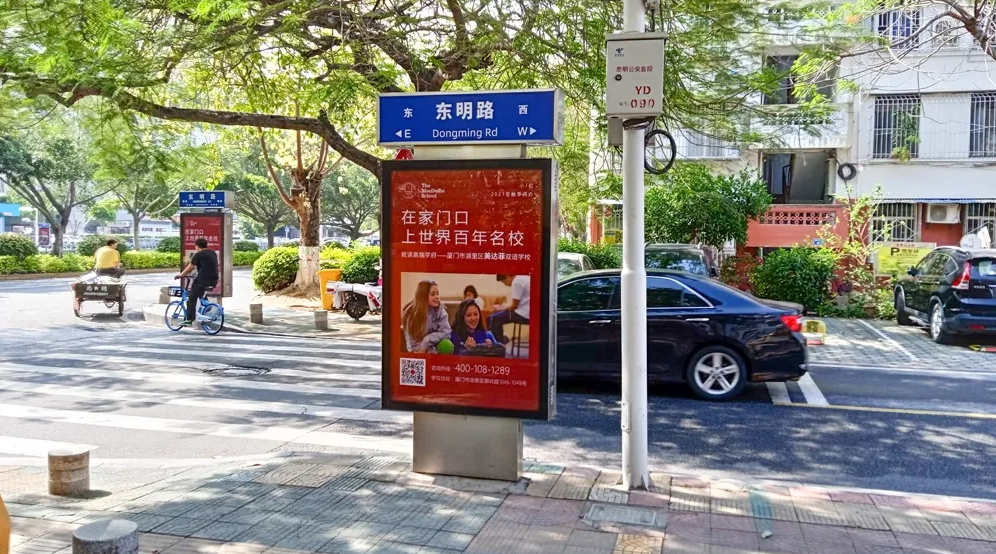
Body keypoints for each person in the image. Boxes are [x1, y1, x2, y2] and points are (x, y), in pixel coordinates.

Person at [174, 238, 219, 326]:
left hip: (203, 280)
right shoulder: (213, 253)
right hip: (214, 280)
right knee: (201, 294)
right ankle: (207, 308)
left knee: (192, 297)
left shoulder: (198, 255)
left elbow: (190, 268)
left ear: (197, 246)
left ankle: (189, 319)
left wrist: (181, 275)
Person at [402, 279, 451, 353]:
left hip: (434, 345)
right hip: (417, 349)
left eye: (437, 293)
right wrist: (421, 351)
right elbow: (412, 344)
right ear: (423, 296)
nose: (437, 297)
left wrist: (427, 340)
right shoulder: (410, 313)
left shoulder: (440, 309)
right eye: (433, 294)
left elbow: (446, 332)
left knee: (447, 345)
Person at [487, 274, 530, 343]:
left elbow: (514, 306)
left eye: (504, 282)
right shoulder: (522, 278)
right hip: (527, 313)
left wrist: (500, 309)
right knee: (494, 317)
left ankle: (499, 344)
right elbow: (517, 305)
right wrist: (503, 308)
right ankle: (500, 341)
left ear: (507, 276)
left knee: (493, 318)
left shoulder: (516, 282)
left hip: (523, 315)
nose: (505, 284)